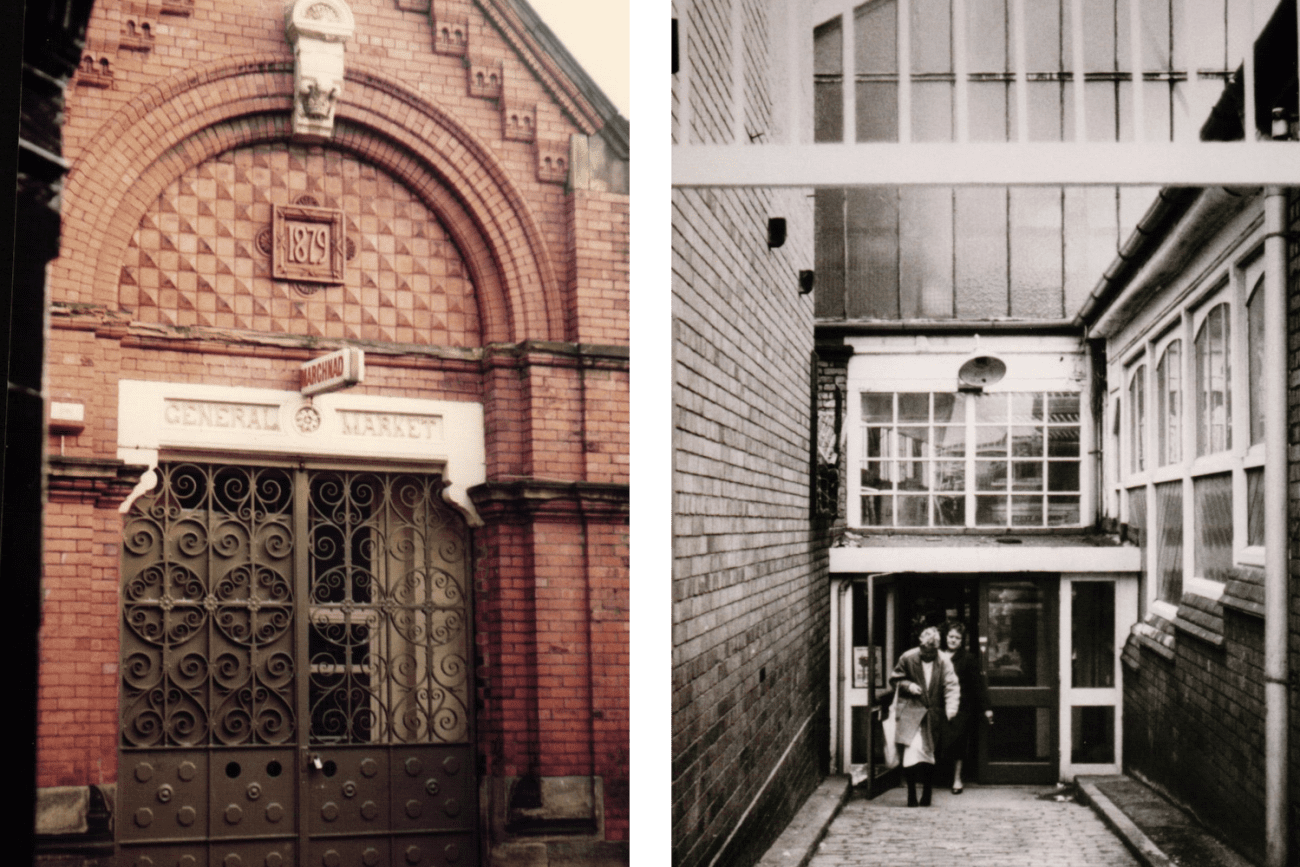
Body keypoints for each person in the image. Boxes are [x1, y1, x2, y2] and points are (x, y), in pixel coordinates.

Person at [888, 625, 960, 807]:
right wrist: (908, 686)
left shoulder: (943, 661)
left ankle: (927, 792)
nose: (928, 653)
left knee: (928, 753)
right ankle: (911, 793)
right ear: (921, 645)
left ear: (936, 647)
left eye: (932, 650)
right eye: (925, 650)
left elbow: (951, 685)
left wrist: (951, 709)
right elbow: (895, 678)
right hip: (911, 710)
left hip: (932, 713)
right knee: (911, 751)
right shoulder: (908, 657)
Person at [940, 620, 993, 794]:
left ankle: (957, 779)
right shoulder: (937, 656)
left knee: (958, 744)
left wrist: (986, 707)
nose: (953, 640)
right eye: (950, 636)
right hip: (939, 705)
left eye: (957, 637)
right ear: (945, 637)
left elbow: (978, 685)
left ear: (962, 641)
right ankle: (939, 777)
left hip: (962, 708)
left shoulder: (968, 659)